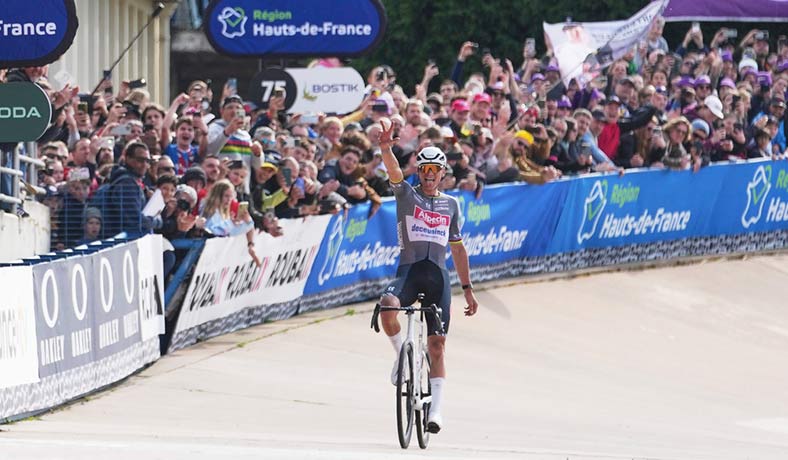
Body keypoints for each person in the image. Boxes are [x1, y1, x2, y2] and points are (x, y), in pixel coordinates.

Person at [375, 121, 479, 435]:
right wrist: (385, 148)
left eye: (435, 170)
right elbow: (394, 172)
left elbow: (459, 251)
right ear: (419, 173)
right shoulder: (407, 195)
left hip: (437, 278)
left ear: (443, 173)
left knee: (437, 345)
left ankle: (435, 410)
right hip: (408, 272)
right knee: (387, 306)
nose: (430, 175)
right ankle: (400, 357)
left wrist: (468, 290)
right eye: (425, 170)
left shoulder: (452, 205)